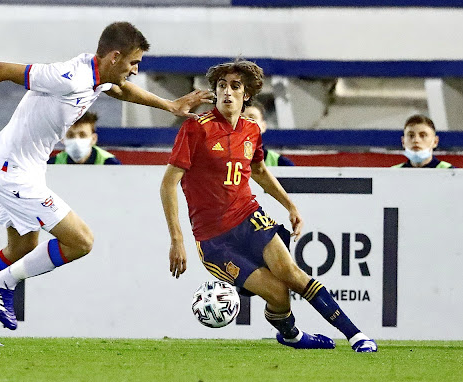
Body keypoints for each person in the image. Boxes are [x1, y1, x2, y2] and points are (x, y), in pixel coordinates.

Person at [0, 21, 212, 346]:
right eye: (133, 63)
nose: (136, 71)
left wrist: (168, 105)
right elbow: (1, 68)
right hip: (11, 169)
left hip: (22, 165)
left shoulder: (99, 75)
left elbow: (123, 89)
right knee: (81, 241)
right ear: (114, 57)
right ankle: (3, 283)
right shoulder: (68, 77)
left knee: (21, 249)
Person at [160, 59, 377, 352]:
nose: (227, 91)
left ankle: (356, 336)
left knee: (293, 275)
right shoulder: (195, 130)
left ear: (246, 94)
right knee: (277, 294)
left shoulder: (251, 130)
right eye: (222, 85)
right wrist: (177, 239)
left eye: (235, 86)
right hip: (214, 239)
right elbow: (168, 184)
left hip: (250, 218)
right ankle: (292, 335)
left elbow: (260, 172)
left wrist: (290, 206)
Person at [48, 112, 121, 165]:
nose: (76, 140)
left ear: (93, 139)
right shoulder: (52, 164)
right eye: (70, 135)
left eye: (83, 135)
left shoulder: (110, 163)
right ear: (62, 139)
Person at [241, 102, 294, 166]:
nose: (246, 121)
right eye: (241, 118)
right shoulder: (225, 160)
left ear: (263, 126)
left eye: (252, 117)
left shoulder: (282, 163)